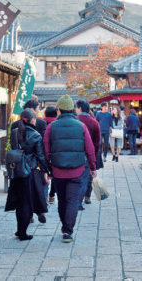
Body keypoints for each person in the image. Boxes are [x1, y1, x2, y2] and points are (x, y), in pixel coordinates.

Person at [44, 95, 96, 243]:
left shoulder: (51, 127)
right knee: (72, 200)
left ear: (59, 110)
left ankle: (65, 226)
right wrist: (92, 167)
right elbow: (90, 149)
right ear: (72, 110)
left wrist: (47, 169)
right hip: (77, 169)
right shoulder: (81, 126)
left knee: (62, 200)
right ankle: (68, 231)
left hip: (58, 170)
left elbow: (46, 150)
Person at [5, 110, 50, 240]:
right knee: (27, 202)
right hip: (30, 171)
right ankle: (23, 233)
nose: (35, 121)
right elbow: (41, 155)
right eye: (35, 119)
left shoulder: (15, 132)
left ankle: (19, 230)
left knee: (20, 202)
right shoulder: (35, 135)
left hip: (17, 170)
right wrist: (48, 170)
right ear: (31, 120)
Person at [75, 99, 101, 208]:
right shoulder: (94, 122)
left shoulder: (75, 121)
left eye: (76, 108)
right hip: (88, 156)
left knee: (76, 179)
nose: (75, 110)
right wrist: (93, 159)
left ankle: (77, 201)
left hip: (75, 155)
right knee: (86, 179)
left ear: (80, 108)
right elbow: (97, 143)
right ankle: (85, 198)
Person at [43, 105, 58, 204]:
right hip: (55, 153)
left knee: (44, 174)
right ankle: (52, 195)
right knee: (55, 175)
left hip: (43, 153)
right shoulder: (56, 124)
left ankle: (44, 195)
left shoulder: (40, 122)